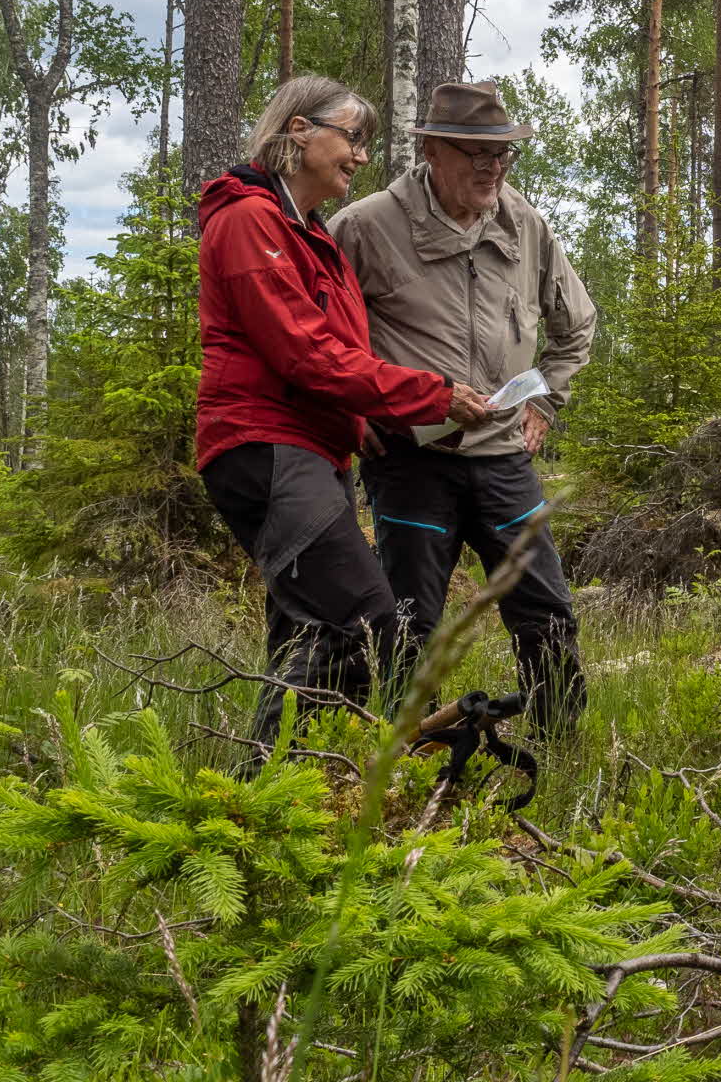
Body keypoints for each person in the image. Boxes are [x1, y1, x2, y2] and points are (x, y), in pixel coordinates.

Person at [196, 74, 492, 745]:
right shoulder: (249, 222)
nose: (361, 156)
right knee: (370, 621)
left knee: (310, 628)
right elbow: (304, 352)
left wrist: (357, 422)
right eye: (353, 138)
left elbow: (328, 347)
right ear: (298, 132)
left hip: (309, 449)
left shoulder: (307, 232)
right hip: (264, 447)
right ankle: (417, 766)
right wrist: (432, 394)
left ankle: (275, 794)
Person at [332, 80, 597, 736]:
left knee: (546, 608)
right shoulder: (364, 226)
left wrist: (545, 403)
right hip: (411, 460)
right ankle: (396, 757)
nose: (492, 169)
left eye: (502, 155)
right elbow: (320, 335)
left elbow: (577, 325)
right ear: (429, 150)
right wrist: (352, 415)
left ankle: (562, 746)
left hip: (506, 459)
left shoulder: (523, 222)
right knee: (409, 620)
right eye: (475, 154)